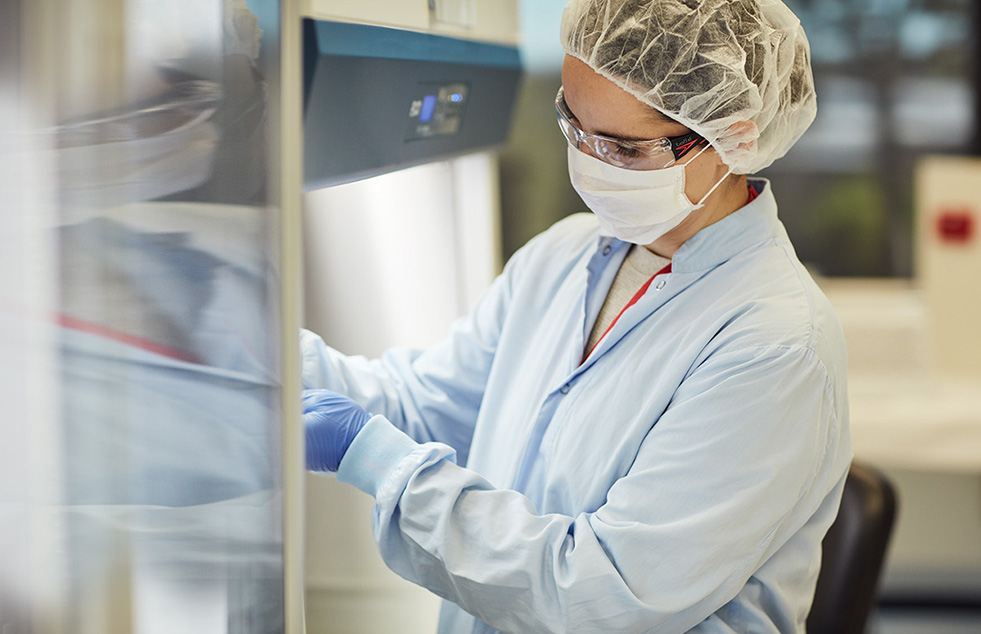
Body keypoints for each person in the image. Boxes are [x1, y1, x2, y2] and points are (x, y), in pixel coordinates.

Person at [301, 0, 852, 632]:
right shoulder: (565, 255)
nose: (591, 165)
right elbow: (434, 407)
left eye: (623, 147)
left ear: (738, 132)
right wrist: (270, 356)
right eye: (575, 126)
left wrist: (369, 456)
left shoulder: (774, 345)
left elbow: (600, 595)